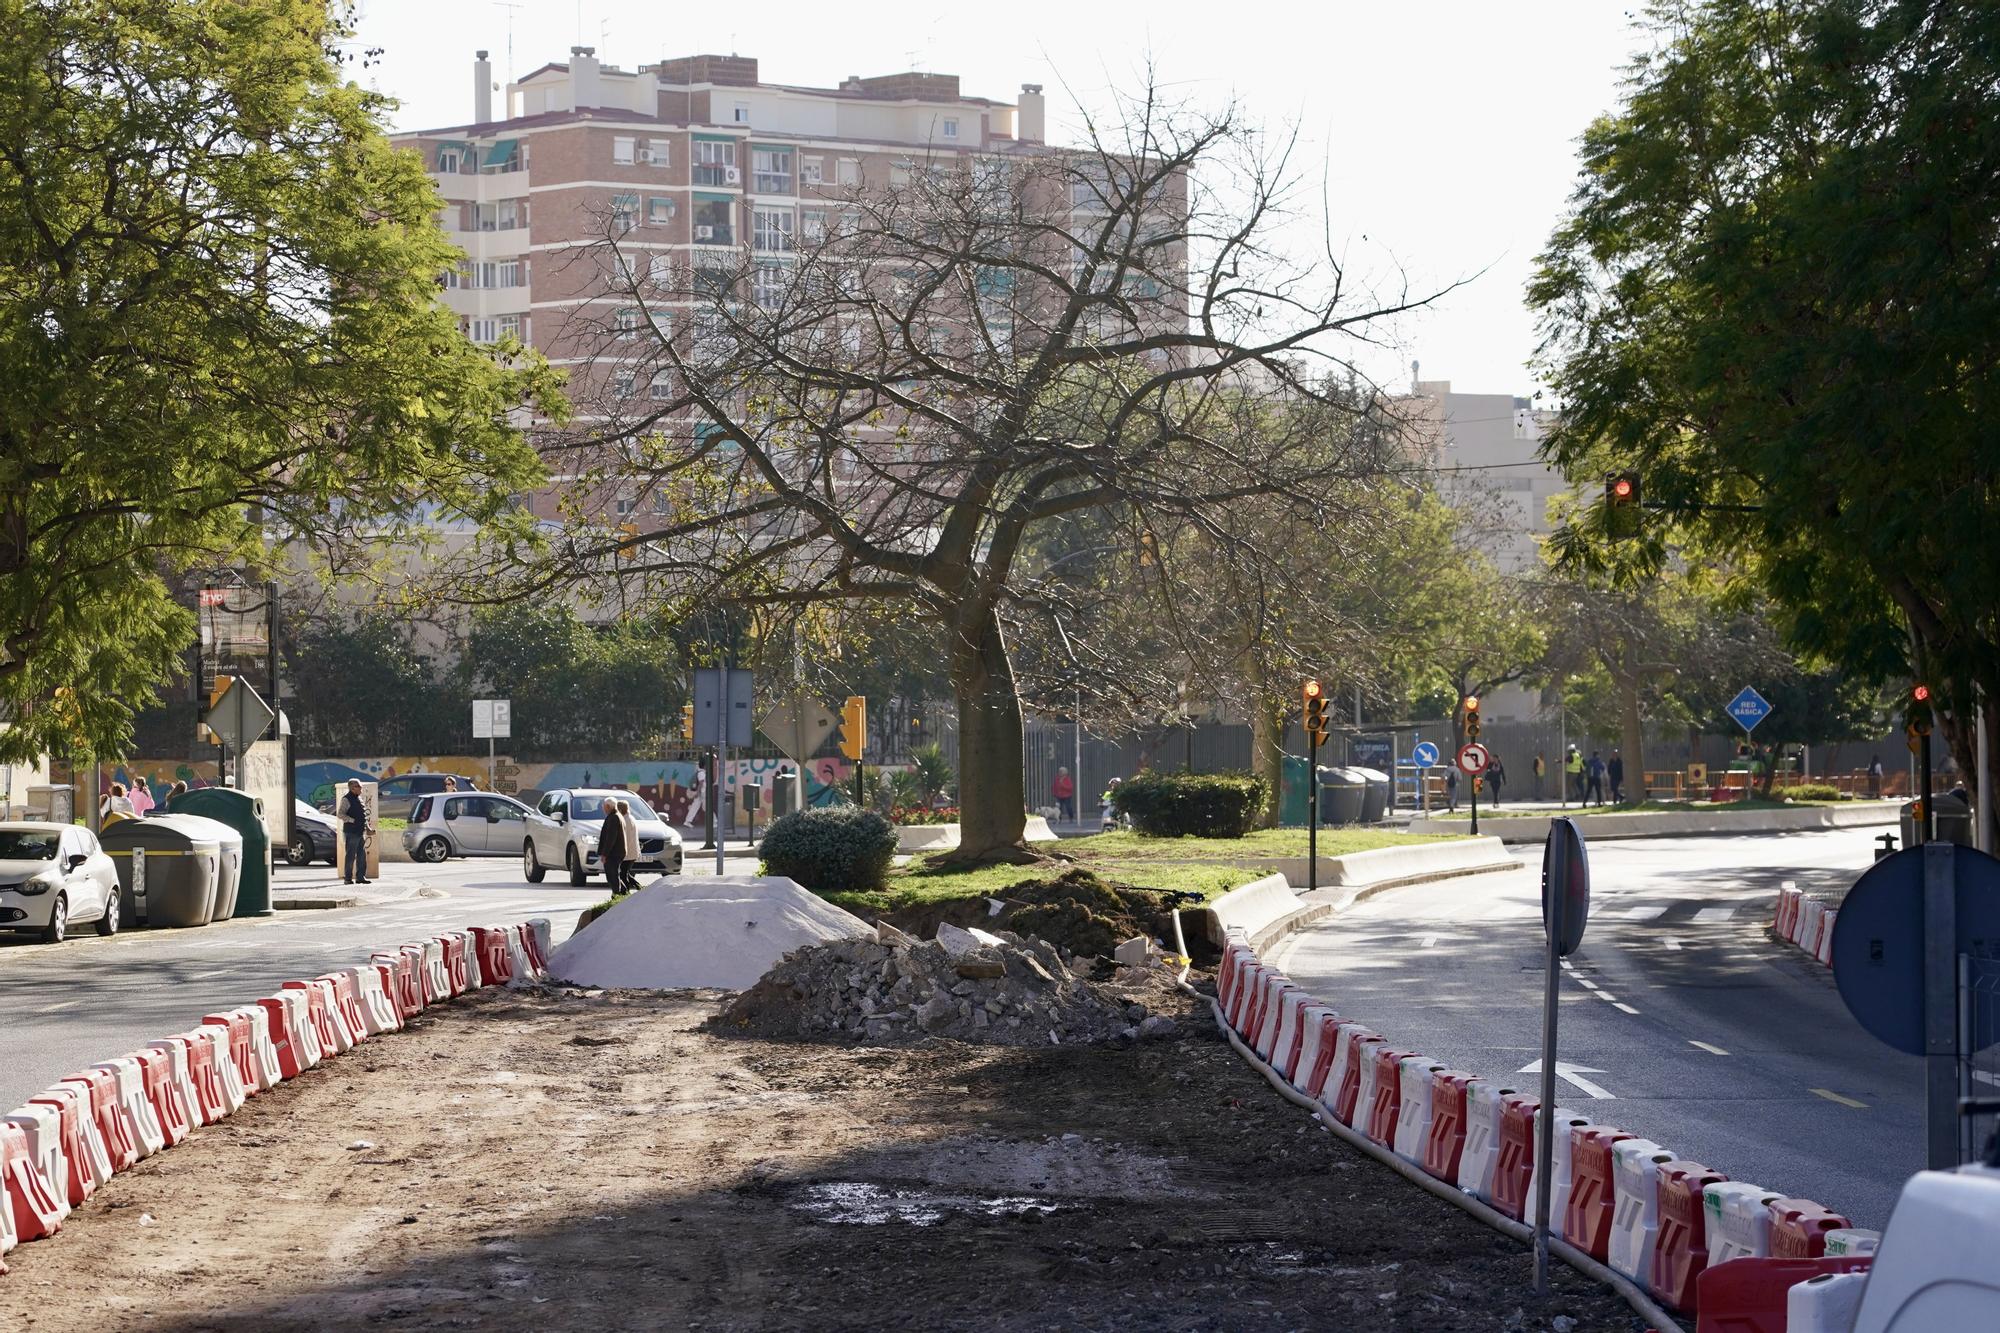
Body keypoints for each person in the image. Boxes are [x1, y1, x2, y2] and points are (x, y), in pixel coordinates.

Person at [340, 779, 371, 885]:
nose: (361, 788)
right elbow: (340, 814)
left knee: (362, 855)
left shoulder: (359, 798)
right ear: (352, 788)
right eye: (359, 786)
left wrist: (368, 827)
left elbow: (363, 816)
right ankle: (348, 878)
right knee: (350, 855)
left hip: (360, 831)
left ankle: (360, 877)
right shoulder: (346, 799)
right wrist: (352, 820)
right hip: (351, 831)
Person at [598, 796, 628, 893]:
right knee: (614, 875)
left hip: (614, 853)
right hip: (617, 852)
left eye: (603, 806)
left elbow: (610, 838)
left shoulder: (614, 817)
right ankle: (624, 894)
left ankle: (617, 896)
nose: (602, 808)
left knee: (612, 876)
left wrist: (605, 854)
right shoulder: (616, 815)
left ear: (608, 806)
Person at [618, 797, 642, 893]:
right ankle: (640, 888)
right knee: (625, 873)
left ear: (620, 809)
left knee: (623, 874)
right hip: (632, 852)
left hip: (628, 853)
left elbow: (624, 838)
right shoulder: (630, 818)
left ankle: (627, 893)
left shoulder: (625, 820)